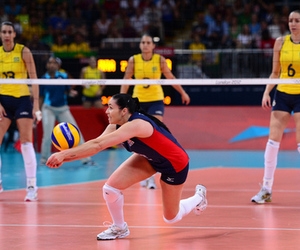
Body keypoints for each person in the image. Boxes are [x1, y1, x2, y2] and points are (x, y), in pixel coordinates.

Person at [46, 93, 207, 240]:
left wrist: (64, 154)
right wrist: (63, 159)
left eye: (110, 108)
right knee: (110, 189)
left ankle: (199, 197)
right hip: (150, 158)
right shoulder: (115, 126)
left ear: (124, 111)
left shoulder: (137, 124)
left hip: (175, 163)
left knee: (171, 217)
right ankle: (119, 227)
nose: (106, 111)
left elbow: (97, 145)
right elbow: (94, 147)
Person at [120, 33, 190, 189]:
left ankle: (152, 176)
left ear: (153, 46)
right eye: (143, 42)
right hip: (138, 101)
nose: (145, 45)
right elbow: (126, 80)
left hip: (156, 100)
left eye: (148, 42)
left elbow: (170, 77)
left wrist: (182, 92)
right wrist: (120, 101)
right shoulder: (133, 60)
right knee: (139, 139)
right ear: (140, 45)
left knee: (155, 136)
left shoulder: (159, 60)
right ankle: (144, 174)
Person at [251, 10, 300, 204]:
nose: (293, 24)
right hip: (283, 94)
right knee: (272, 142)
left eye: (297, 20)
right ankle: (266, 189)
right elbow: (275, 72)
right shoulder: (280, 42)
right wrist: (266, 91)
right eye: (291, 20)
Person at [0, 21, 40, 201]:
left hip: (22, 100)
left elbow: (34, 78)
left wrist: (36, 105)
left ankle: (31, 186)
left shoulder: (23, 51)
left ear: (14, 34)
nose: (7, 35)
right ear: (0, 35)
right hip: (2, 101)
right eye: (4, 32)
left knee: (26, 142)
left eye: (10, 31)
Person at [39, 56, 94, 166]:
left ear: (58, 66)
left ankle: (86, 159)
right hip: (48, 108)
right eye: (50, 62)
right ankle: (44, 159)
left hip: (63, 108)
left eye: (54, 63)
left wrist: (71, 93)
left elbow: (67, 90)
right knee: (48, 135)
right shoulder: (43, 78)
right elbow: (41, 96)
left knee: (75, 132)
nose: (52, 65)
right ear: (47, 65)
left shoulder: (63, 76)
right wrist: (38, 111)